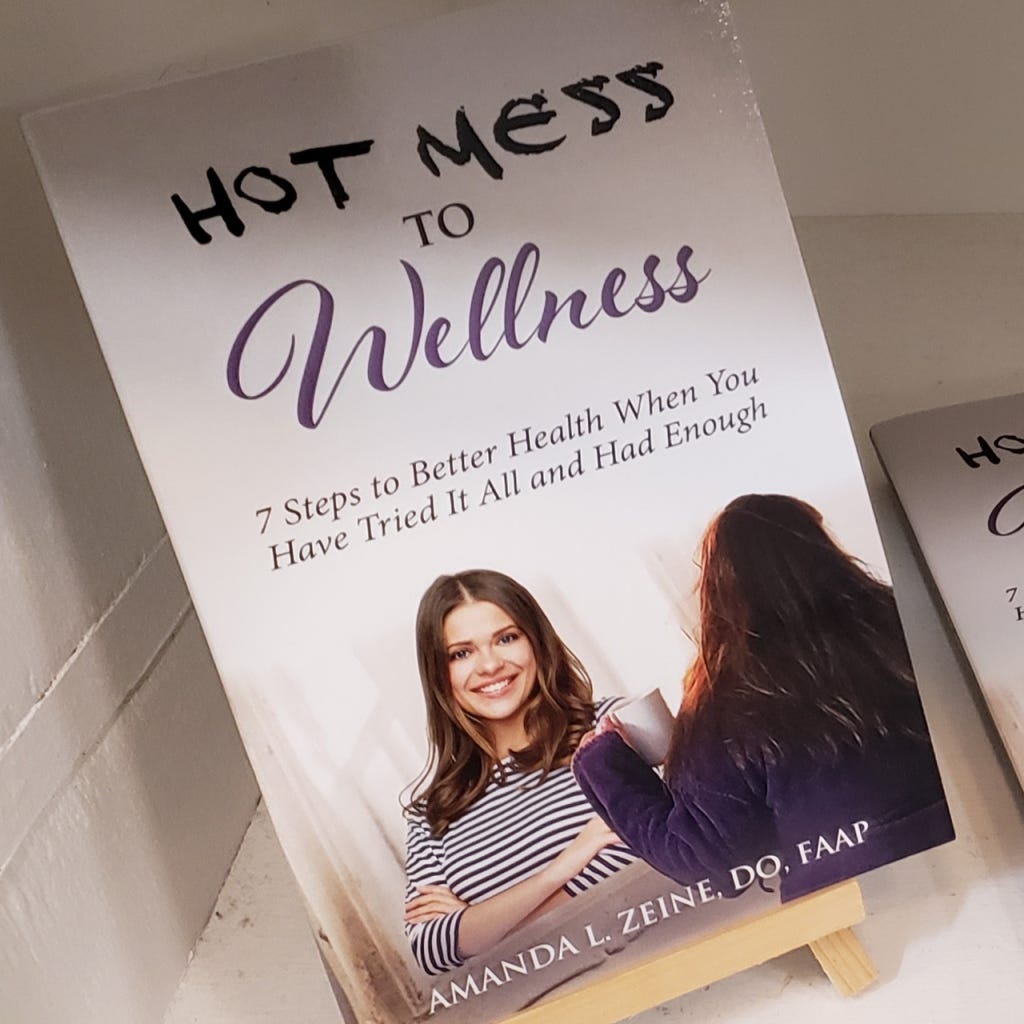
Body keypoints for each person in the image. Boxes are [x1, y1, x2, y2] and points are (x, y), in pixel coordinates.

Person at [572, 494, 954, 902]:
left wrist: (605, 762)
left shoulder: (727, 704)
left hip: (865, 899)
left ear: (716, 588)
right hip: (970, 839)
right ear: (822, 549)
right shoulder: (907, 620)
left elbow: (707, 860)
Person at [402, 569, 635, 976]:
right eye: (461, 653)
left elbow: (641, 854)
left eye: (506, 638)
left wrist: (481, 924)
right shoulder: (430, 813)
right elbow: (430, 948)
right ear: (438, 674)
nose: (490, 665)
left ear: (536, 642)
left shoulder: (612, 725)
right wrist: (565, 865)